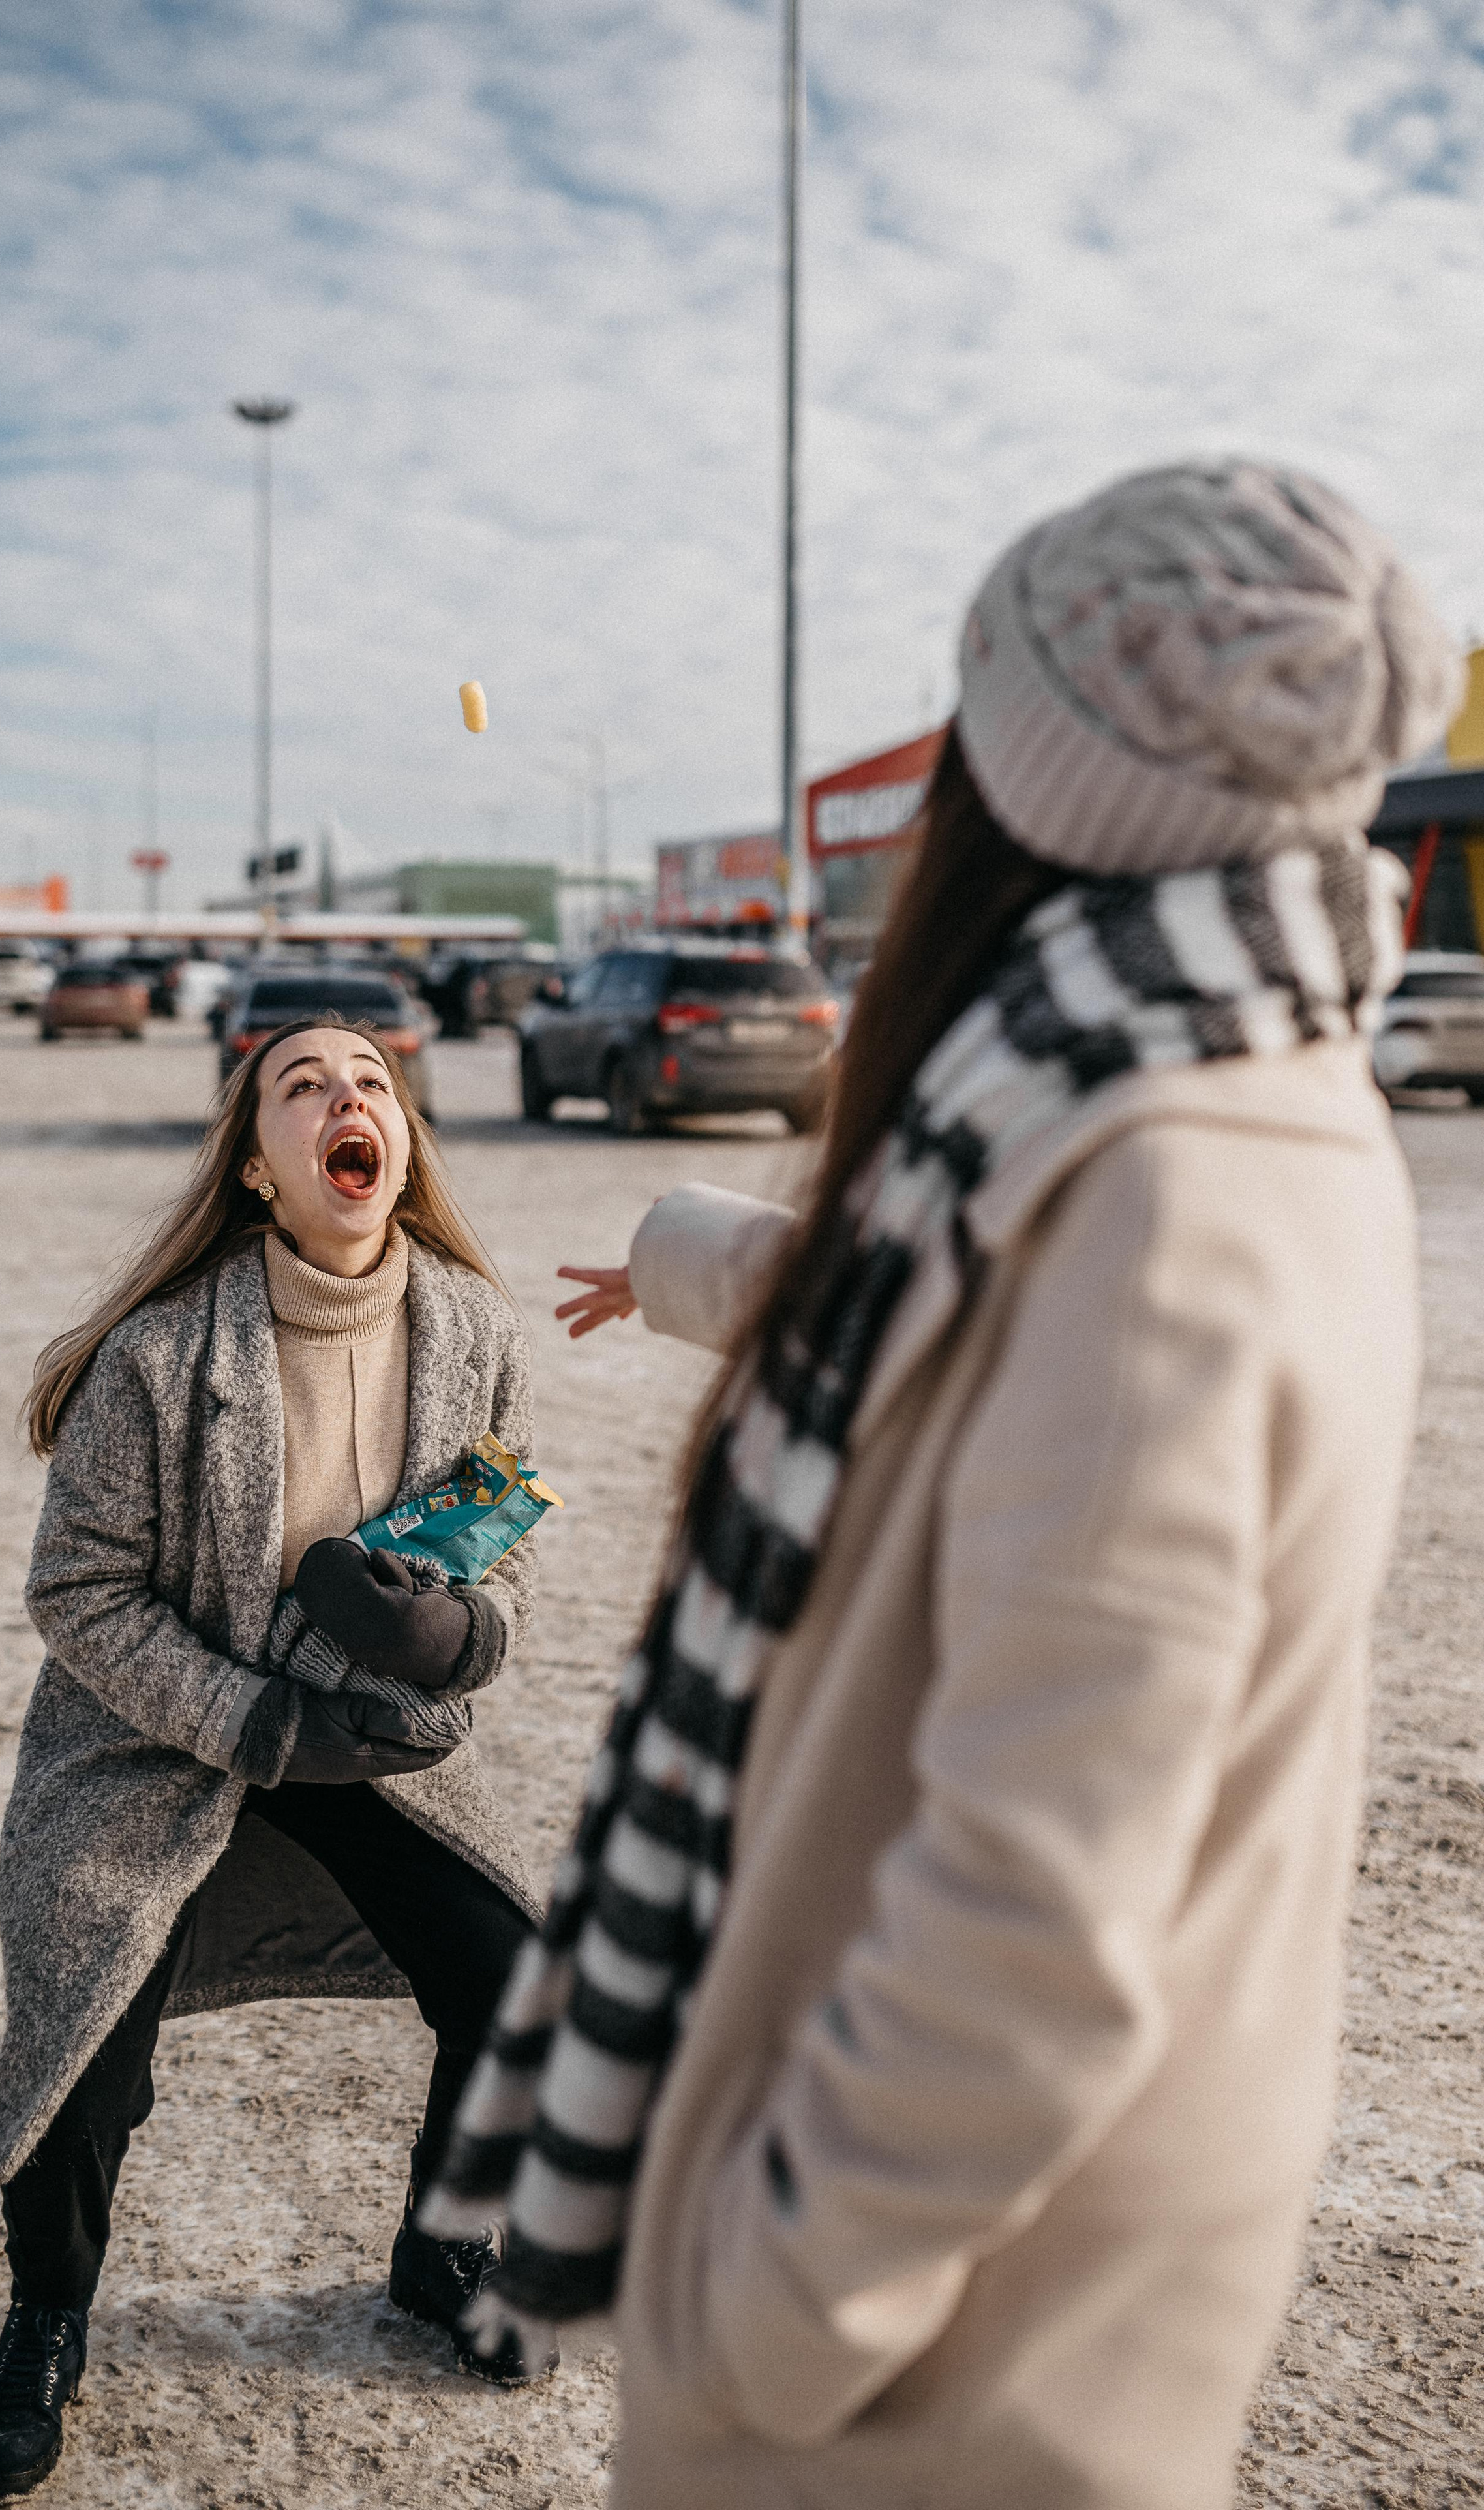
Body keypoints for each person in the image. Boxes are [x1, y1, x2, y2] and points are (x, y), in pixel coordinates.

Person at [428, 462, 1459, 2507]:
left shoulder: (1163, 1189)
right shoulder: (1222, 1074)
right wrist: (683, 1262)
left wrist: (769, 2306)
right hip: (1036, 2269)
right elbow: (958, 1328)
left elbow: (1036, 1918)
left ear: (1050, 785)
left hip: (946, 2361)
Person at [0, 1015, 550, 2505]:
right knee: (85, 2031)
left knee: (513, 1976)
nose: (349, 1098)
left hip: (376, 1742)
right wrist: (255, 1721)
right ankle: (47, 2315)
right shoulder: (161, 1356)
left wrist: (452, 1638)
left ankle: (443, 2246)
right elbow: (79, 1592)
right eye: (306, 1086)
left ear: (399, 1142)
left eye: (373, 1083)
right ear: (258, 1169)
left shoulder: (474, 1330)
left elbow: (507, 1553)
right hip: (159, 1744)